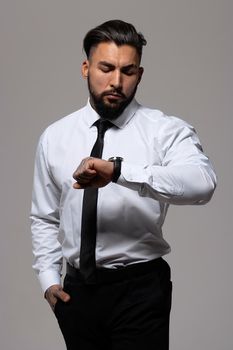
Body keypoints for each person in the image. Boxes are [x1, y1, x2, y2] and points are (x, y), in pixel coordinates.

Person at [30, 19, 217, 350]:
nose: (116, 81)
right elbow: (44, 216)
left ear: (139, 75)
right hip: (76, 293)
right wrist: (48, 279)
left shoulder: (165, 131)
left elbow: (202, 184)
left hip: (140, 290)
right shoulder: (55, 136)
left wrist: (119, 171)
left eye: (128, 71)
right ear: (86, 68)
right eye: (106, 68)